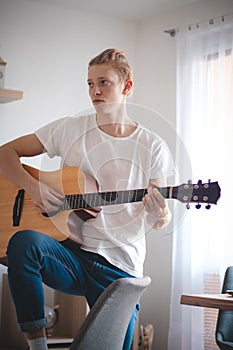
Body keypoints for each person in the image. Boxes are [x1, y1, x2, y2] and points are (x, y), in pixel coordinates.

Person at [0, 48, 175, 350]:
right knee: (23, 242)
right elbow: (5, 154)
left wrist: (161, 214)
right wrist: (34, 188)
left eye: (104, 82)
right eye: (90, 83)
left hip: (120, 268)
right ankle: (37, 344)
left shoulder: (152, 146)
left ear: (127, 86)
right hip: (73, 255)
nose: (95, 90)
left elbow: (160, 219)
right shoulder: (69, 128)